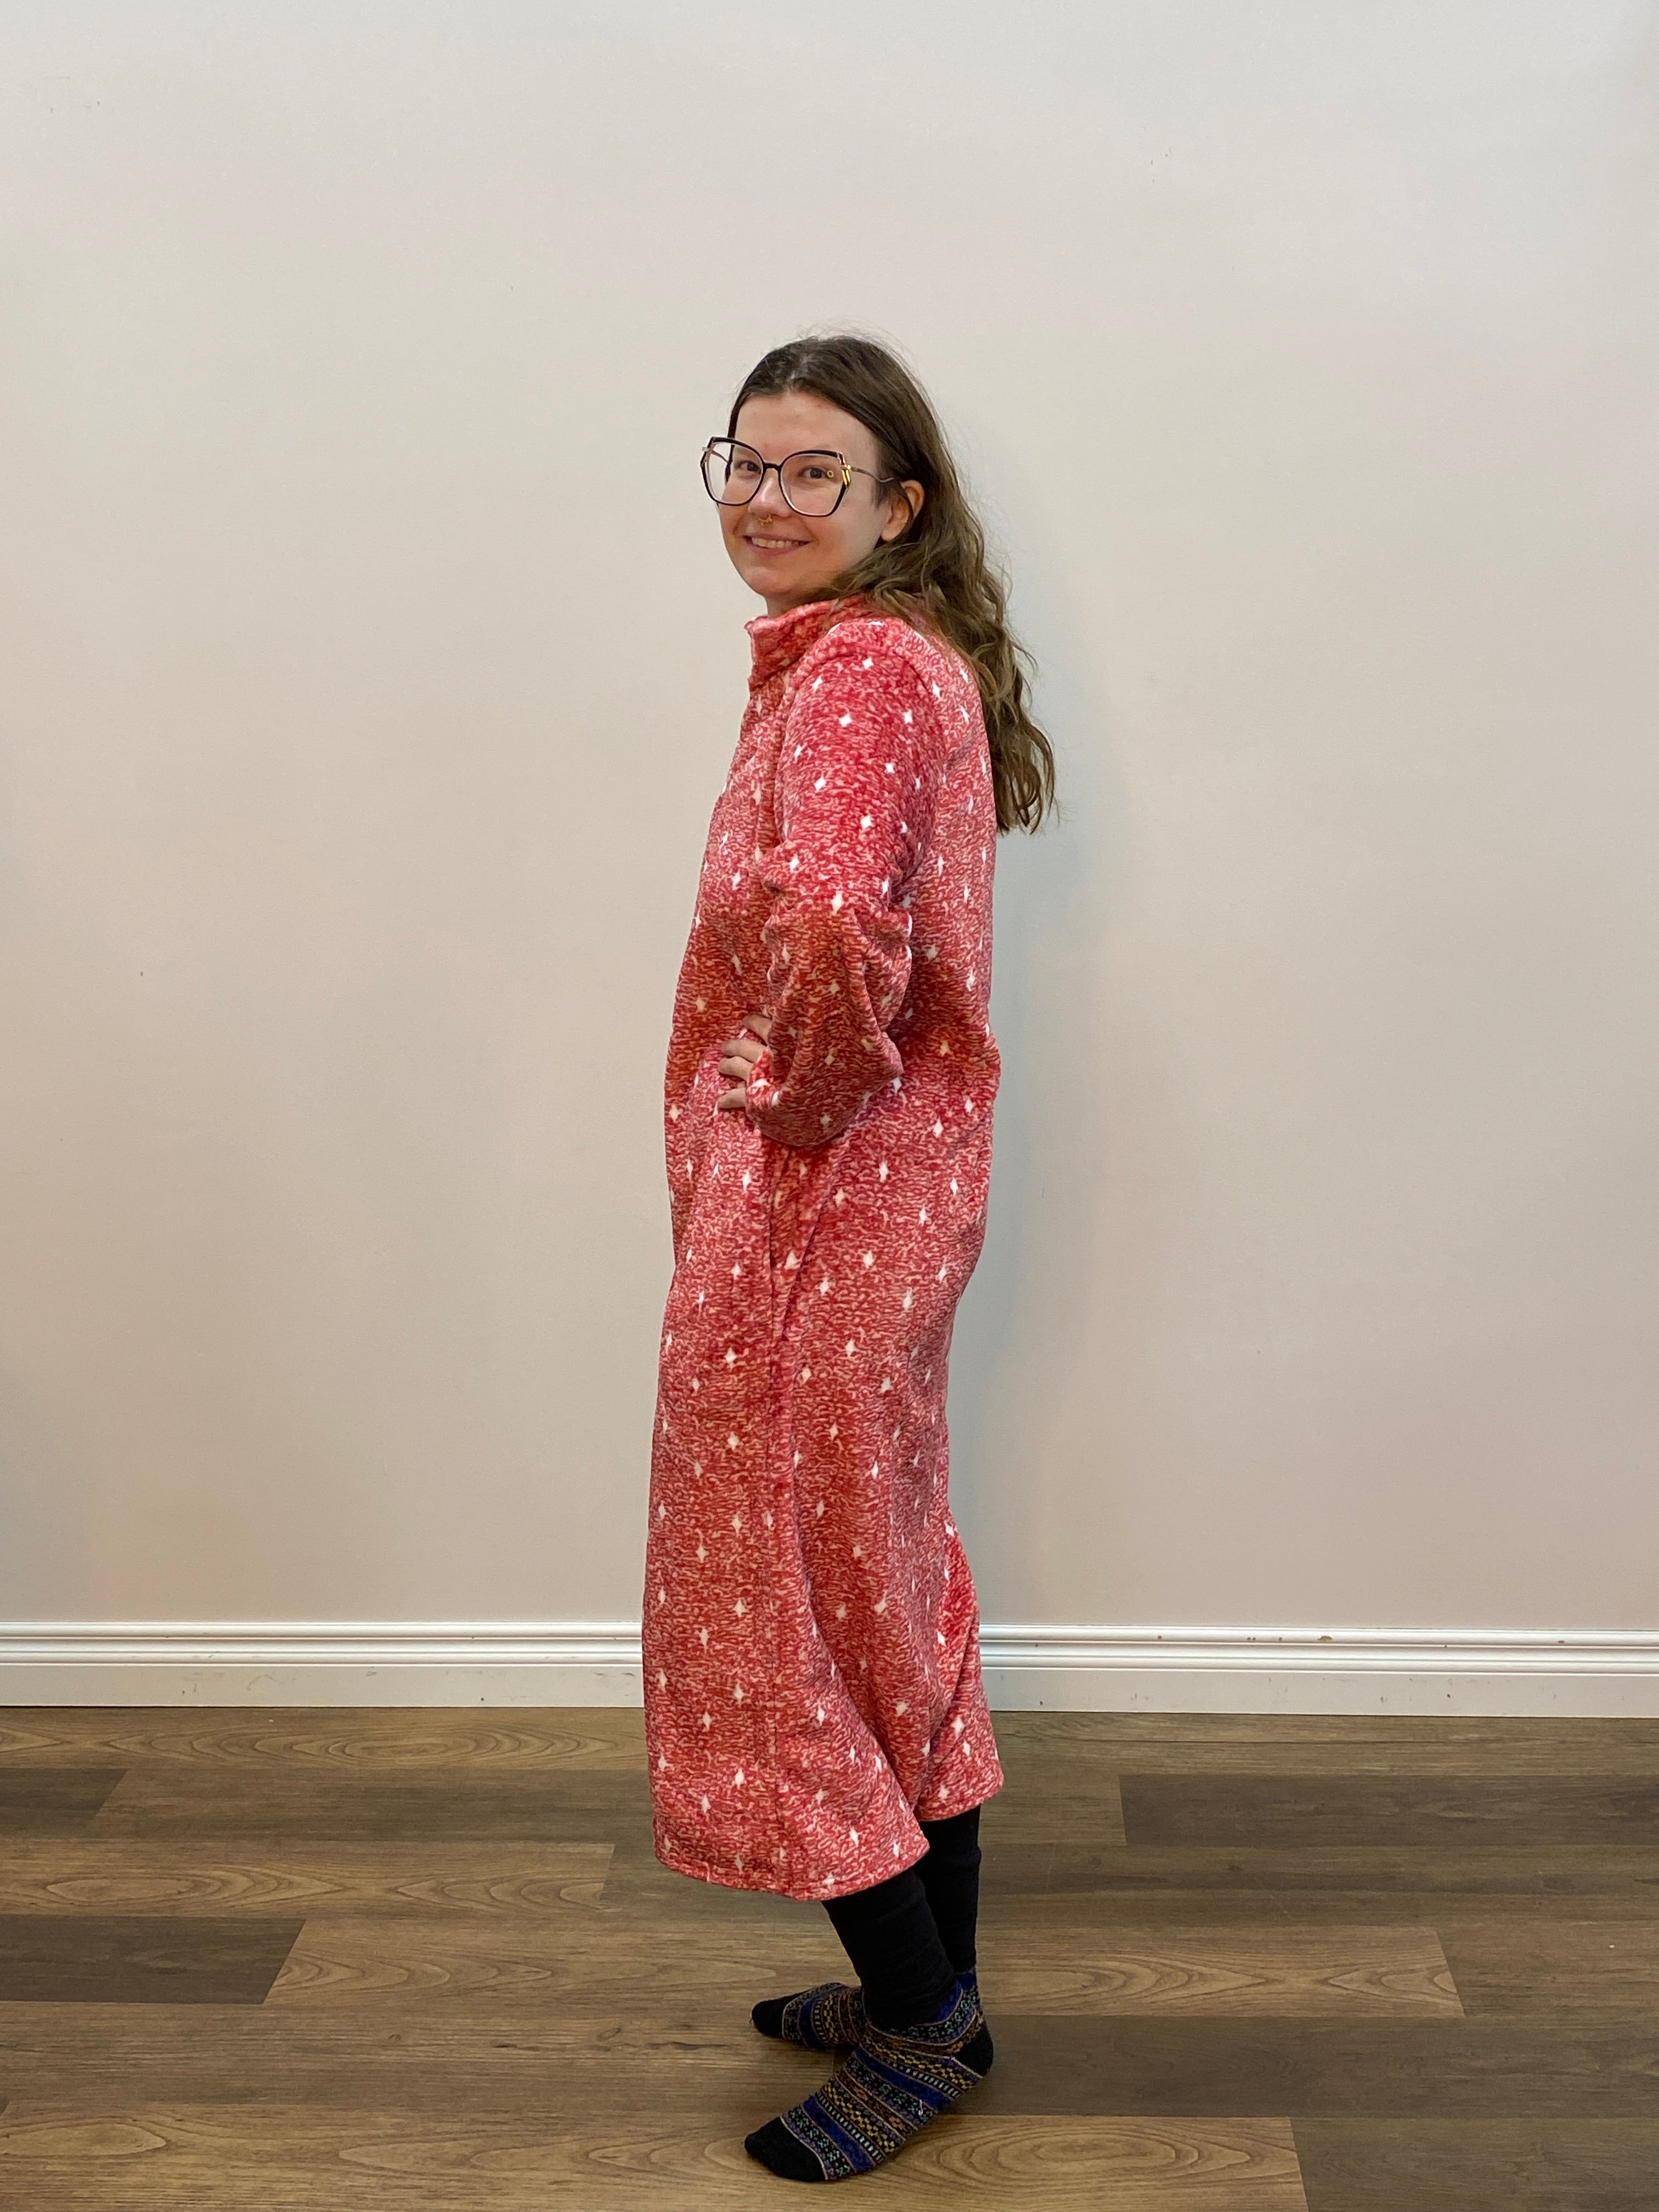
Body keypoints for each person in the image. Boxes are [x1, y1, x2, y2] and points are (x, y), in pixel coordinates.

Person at [642, 332, 1056, 2183]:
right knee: (873, 1577)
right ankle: (934, 1981)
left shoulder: (862, 672)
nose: (766, 500)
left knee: (784, 1597)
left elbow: (836, 924)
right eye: (746, 461)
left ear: (898, 506)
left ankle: (916, 2018)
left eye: (816, 473)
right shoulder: (890, 661)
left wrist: (792, 1103)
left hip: (822, 1218)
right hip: (893, 1208)